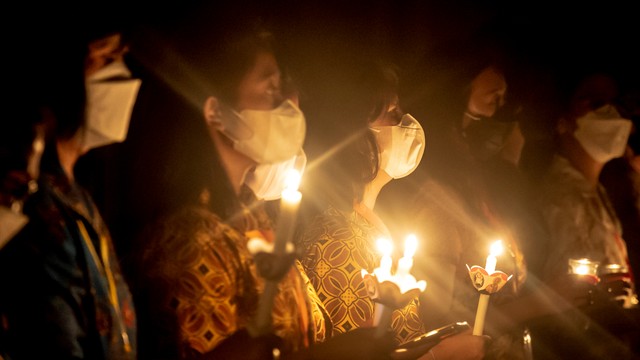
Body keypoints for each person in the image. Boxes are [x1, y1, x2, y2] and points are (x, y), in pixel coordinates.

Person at [127, 12, 395, 360]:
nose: (288, 106)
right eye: (270, 89)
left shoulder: (253, 221)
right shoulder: (189, 239)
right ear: (216, 113)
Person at [296, 59, 487, 360]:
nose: (408, 124)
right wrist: (440, 355)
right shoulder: (338, 242)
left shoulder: (364, 225)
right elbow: (358, 353)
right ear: (356, 137)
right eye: (393, 114)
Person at [0, 7, 140, 360]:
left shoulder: (79, 200)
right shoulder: (26, 205)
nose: (120, 75)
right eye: (104, 57)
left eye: (121, 58)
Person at [531, 68, 640, 359]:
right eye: (594, 102)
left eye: (614, 103)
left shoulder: (599, 194)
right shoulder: (556, 196)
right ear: (562, 120)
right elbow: (569, 306)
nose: (609, 113)